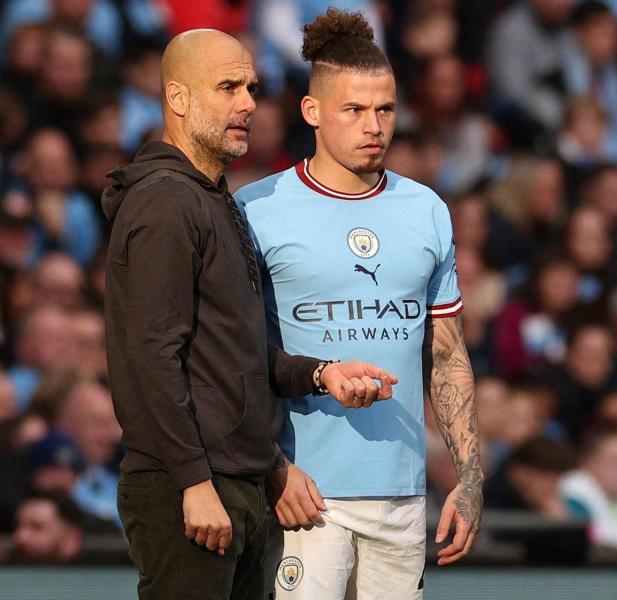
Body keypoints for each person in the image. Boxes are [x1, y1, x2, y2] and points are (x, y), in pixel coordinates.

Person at [101, 29, 397, 600]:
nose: (248, 105)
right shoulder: (167, 201)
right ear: (178, 98)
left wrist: (317, 373)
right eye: (228, 87)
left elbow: (226, 352)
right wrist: (193, 481)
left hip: (235, 484)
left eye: (252, 88)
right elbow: (152, 355)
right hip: (189, 488)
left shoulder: (210, 197)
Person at [236, 10, 483, 599]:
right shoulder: (256, 209)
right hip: (304, 492)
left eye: (385, 109)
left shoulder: (425, 210)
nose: (373, 125)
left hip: (402, 491)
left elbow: (446, 355)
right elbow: (232, 358)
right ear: (312, 112)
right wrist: (272, 467)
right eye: (354, 109)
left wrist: (470, 476)